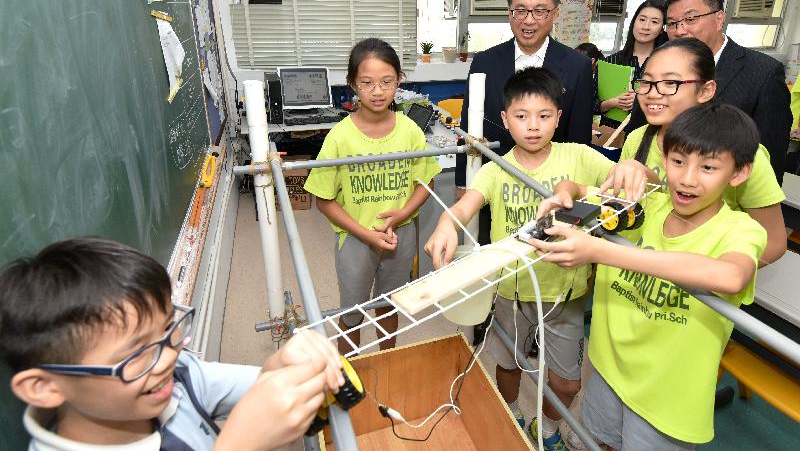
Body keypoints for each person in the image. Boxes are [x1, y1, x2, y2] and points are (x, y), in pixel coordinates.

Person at [424, 67, 647, 450]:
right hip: (511, 293)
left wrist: (630, 167)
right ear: (506, 119)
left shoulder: (578, 155)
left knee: (567, 382)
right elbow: (465, 207)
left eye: (544, 116)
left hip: (566, 294)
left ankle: (545, 427)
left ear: (558, 118)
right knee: (509, 365)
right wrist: (446, 223)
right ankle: (512, 411)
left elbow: (623, 184)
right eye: (522, 117)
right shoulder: (496, 169)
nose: (533, 126)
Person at [531, 102, 768, 450]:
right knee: (600, 443)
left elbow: (732, 276)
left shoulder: (739, 230)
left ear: (738, 173)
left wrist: (603, 252)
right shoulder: (651, 204)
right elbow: (580, 189)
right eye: (677, 161)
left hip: (665, 396)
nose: (687, 178)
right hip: (609, 371)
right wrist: (565, 193)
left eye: (708, 167)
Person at [0, 237, 345, 451]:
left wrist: (281, 365)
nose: (168, 357)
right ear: (43, 387)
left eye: (169, 328)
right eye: (136, 353)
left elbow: (260, 390)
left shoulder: (178, 376)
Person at [304, 38, 441, 354]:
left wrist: (402, 213)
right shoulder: (339, 137)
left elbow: (427, 182)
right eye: (367, 83)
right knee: (351, 313)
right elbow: (323, 199)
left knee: (390, 304)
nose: (378, 91)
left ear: (399, 82)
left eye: (386, 82)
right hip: (355, 239)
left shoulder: (409, 130)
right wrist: (365, 233)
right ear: (353, 84)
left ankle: (387, 359)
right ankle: (348, 372)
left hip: (400, 235)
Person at [614, 37, 786, 265]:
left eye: (670, 83)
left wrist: (707, 281)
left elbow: (773, 242)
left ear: (705, 90)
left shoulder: (740, 152)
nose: (653, 93)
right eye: (646, 82)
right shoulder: (637, 139)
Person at [455, 0, 595, 245]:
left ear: (555, 13)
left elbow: (579, 137)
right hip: (494, 185)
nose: (529, 20)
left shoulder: (577, 66)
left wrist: (573, 197)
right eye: (520, 10)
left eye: (540, 11)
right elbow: (470, 126)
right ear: (509, 12)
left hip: (551, 191)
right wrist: (464, 182)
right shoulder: (485, 61)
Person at [625, 0, 791, 183]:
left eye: (691, 19)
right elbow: (639, 130)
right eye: (672, 23)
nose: (680, 30)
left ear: (719, 18)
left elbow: (772, 154)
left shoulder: (763, 72)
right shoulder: (659, 63)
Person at [601, 0, 668, 128]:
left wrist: (639, 101)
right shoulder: (611, 62)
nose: (646, 26)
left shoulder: (666, 64)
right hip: (611, 136)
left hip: (649, 134)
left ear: (662, 29)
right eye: (642, 19)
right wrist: (613, 102)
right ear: (634, 22)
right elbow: (590, 105)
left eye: (654, 22)